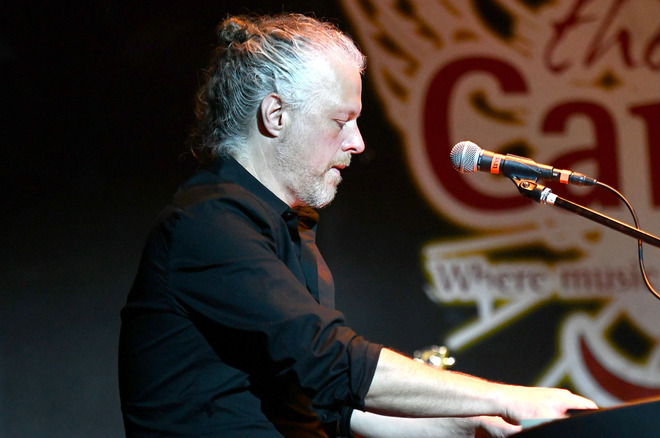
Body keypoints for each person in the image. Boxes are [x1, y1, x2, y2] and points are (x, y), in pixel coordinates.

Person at [118, 13, 597, 438]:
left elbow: (325, 404)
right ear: (275, 115)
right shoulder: (207, 223)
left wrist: (468, 424)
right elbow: (329, 359)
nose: (359, 143)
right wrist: (510, 398)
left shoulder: (284, 229)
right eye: (341, 120)